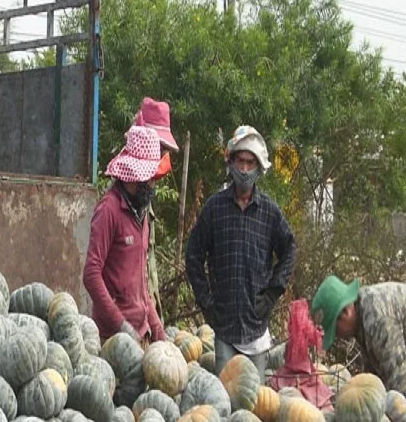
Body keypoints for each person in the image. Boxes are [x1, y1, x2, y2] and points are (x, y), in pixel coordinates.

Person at [185, 125, 296, 379]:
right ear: (231, 163)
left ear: (259, 167)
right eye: (240, 161)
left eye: (250, 163)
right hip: (224, 327)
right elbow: (193, 256)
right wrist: (206, 301)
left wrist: (272, 294)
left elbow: (289, 249)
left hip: (256, 329)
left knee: (252, 405)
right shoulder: (215, 208)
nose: (244, 169)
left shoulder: (269, 212)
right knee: (226, 400)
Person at [84, 125, 166, 344]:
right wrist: (121, 325)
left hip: (141, 333)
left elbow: (140, 281)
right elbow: (91, 274)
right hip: (112, 338)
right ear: (132, 175)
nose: (153, 182)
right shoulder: (108, 210)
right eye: (149, 177)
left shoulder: (142, 212)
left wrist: (157, 328)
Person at [310, 275, 406, 407]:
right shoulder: (362, 314)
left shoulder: (378, 320)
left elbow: (402, 390)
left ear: (345, 312)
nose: (337, 337)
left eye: (335, 330)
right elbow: (376, 378)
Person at [133, 98, 179, 320]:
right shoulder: (117, 205)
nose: (160, 156)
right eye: (157, 147)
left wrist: (155, 323)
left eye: (162, 150)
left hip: (145, 321)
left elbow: (146, 277)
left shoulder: (145, 199)